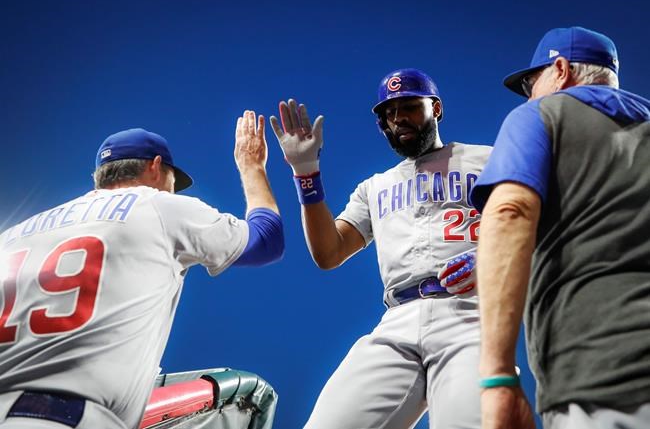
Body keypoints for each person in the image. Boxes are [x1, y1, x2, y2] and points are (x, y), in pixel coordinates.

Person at [0, 112, 284, 429]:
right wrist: (251, 165)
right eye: (174, 182)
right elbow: (266, 240)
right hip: (66, 418)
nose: (174, 191)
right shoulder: (158, 206)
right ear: (154, 166)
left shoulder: (12, 235)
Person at [270, 68, 492, 428]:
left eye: (409, 106)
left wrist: (496, 255)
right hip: (397, 320)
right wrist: (306, 173)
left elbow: (545, 221)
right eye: (389, 112)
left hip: (469, 313)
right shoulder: (374, 187)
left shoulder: (488, 160)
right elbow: (329, 252)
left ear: (435, 108)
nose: (398, 117)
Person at [470, 26, 650, 429]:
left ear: (562, 69)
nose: (530, 95)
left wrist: (498, 379)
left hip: (606, 377)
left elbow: (510, 212)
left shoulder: (541, 115)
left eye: (532, 83)